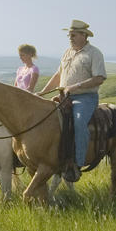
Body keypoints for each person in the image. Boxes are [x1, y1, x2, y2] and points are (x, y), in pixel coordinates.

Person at [39, 19, 106, 182]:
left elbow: (99, 78)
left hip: (85, 97)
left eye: (73, 35)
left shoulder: (94, 53)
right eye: (69, 35)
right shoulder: (67, 52)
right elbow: (58, 76)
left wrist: (75, 87)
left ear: (83, 35)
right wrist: (42, 93)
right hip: (64, 97)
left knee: (78, 122)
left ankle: (78, 162)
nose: (70, 37)